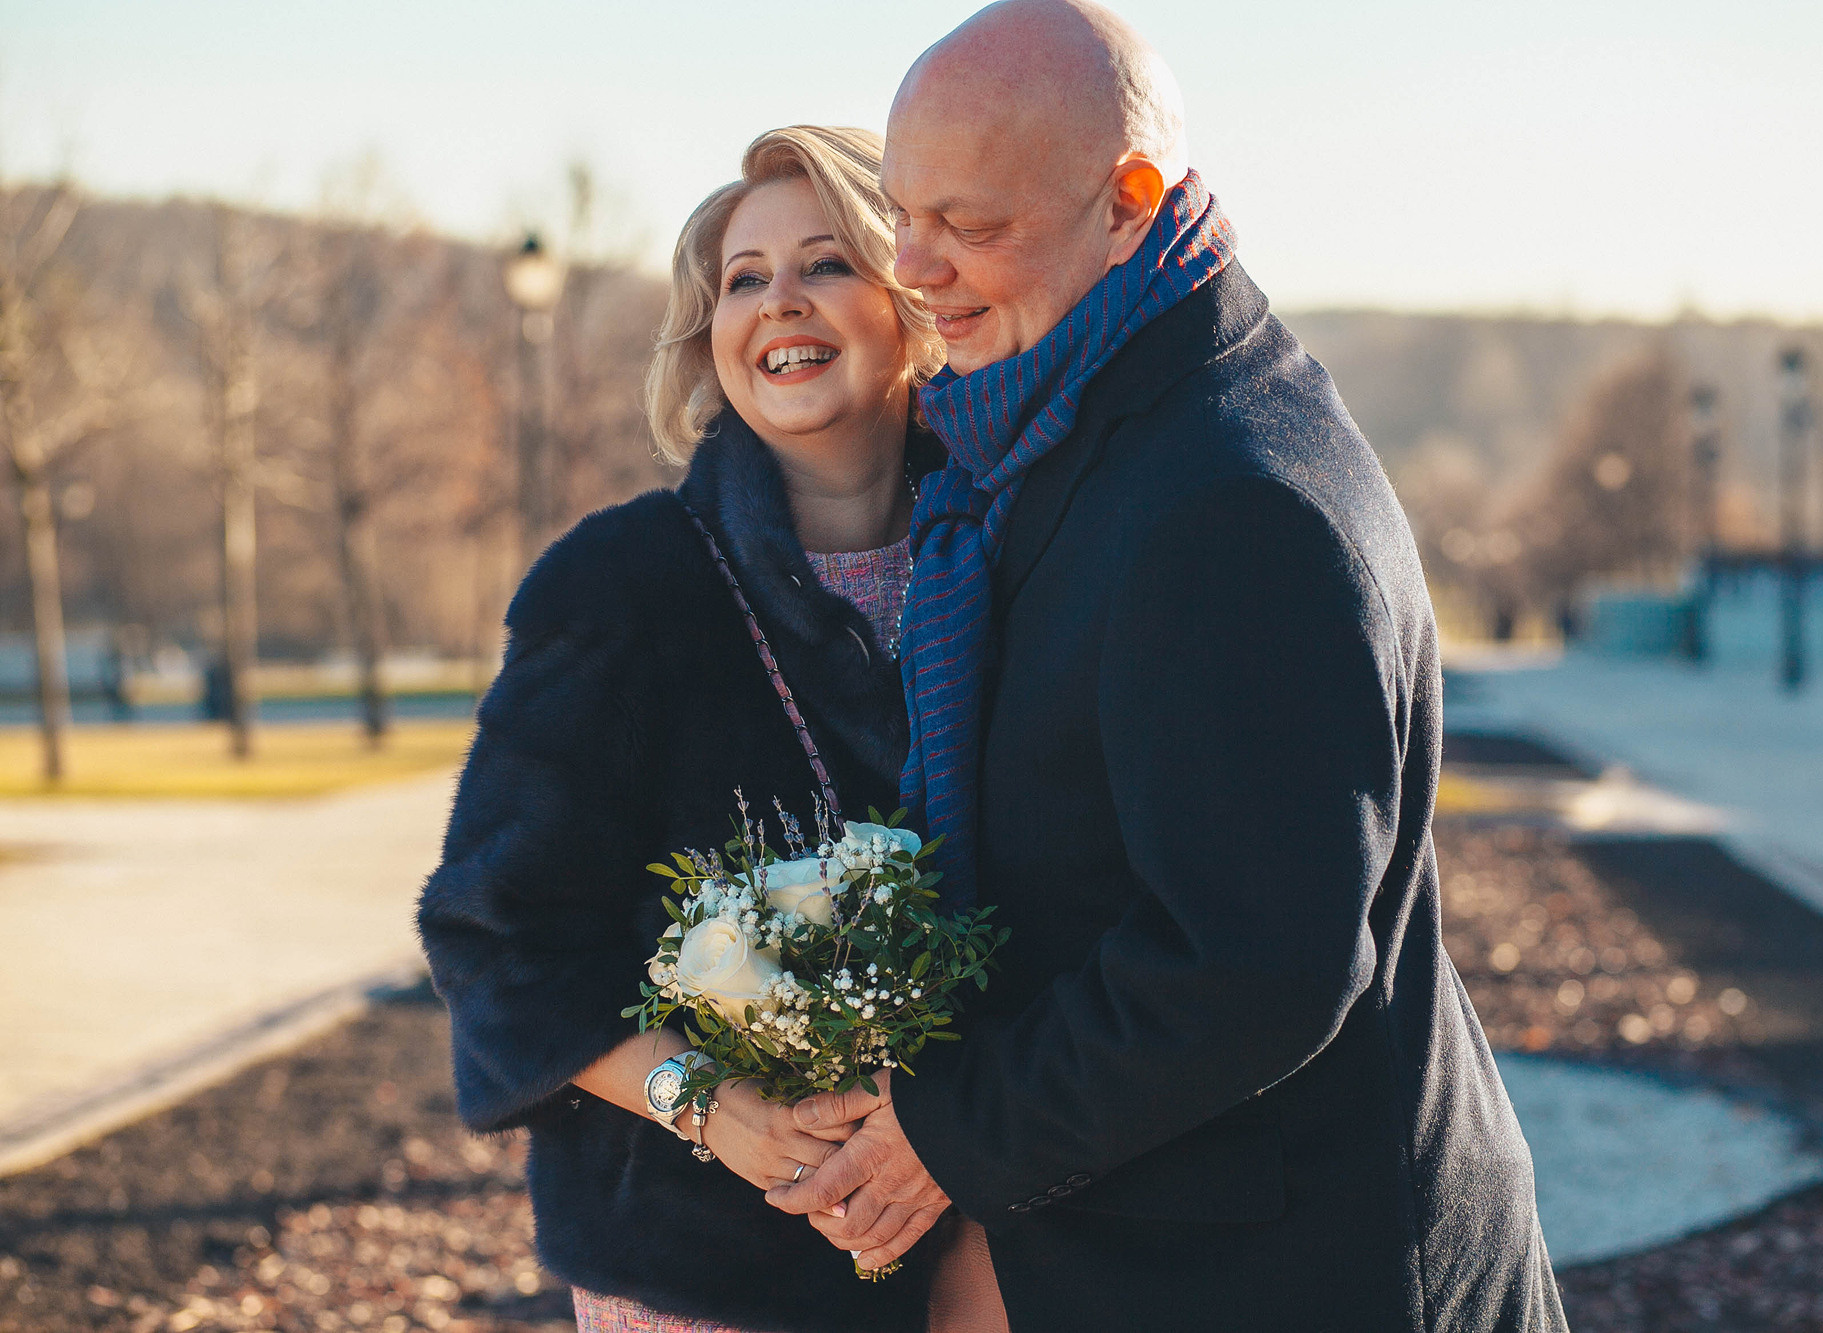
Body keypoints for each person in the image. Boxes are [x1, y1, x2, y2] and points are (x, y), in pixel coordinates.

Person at [764, 4, 1570, 1330]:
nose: (914, 266)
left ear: (1129, 202)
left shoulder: (1232, 500)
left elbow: (1250, 962)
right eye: (903, 214)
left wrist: (951, 1134)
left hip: (1297, 1276)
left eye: (970, 223)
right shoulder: (1056, 420)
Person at [418, 126, 948, 1333]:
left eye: (825, 263)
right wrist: (707, 1100)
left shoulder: (1019, 559)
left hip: (986, 1239)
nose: (778, 303)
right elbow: (493, 936)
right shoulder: (616, 585)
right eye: (742, 280)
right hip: (700, 1263)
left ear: (915, 296)